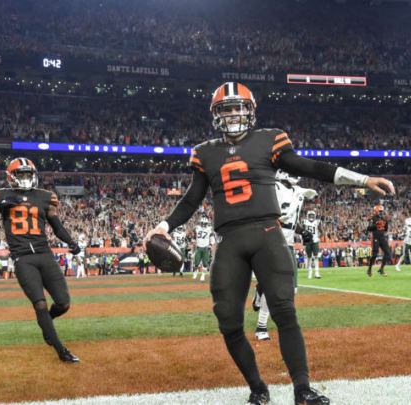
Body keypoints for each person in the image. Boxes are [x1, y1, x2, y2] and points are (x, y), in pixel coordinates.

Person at [144, 82, 395, 405]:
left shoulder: (269, 139)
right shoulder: (204, 152)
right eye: (226, 108)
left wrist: (362, 180)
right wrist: (163, 225)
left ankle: (302, 390)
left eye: (238, 107)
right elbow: (192, 199)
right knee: (228, 320)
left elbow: (310, 167)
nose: (233, 114)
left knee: (284, 311)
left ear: (250, 111)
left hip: (267, 234)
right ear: (216, 114)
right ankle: (258, 388)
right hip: (230, 241)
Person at [0, 157, 81, 363]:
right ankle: (60, 349)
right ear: (11, 177)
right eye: (20, 174)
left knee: (64, 303)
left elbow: (56, 226)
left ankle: (46, 323)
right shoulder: (1, 195)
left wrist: (71, 242)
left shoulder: (44, 197)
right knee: (39, 303)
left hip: (44, 253)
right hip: (22, 257)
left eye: (27, 174)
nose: (24, 178)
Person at [253, 170, 317, 341]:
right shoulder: (273, 188)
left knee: (291, 289)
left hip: (288, 244)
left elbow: (292, 222)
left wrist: (303, 232)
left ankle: (260, 289)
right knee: (273, 287)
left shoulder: (298, 192)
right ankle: (261, 326)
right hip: (271, 241)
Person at [366, 205, 391, 277]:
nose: (381, 212)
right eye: (380, 211)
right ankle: (369, 270)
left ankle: (381, 269)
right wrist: (376, 225)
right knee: (374, 254)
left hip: (382, 237)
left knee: (387, 252)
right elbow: (368, 228)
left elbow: (386, 229)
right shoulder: (372, 218)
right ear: (376, 211)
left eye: (382, 211)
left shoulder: (384, 219)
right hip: (376, 237)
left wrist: (386, 223)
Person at [302, 210, 322, 279]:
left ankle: (317, 272)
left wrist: (318, 237)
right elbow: (302, 231)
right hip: (308, 241)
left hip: (315, 240)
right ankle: (310, 271)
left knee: (316, 256)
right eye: (310, 215)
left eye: (312, 215)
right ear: (307, 216)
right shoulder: (304, 222)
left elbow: (321, 231)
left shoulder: (317, 222)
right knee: (309, 257)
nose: (311, 217)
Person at [192, 217, 213, 281]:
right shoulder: (197, 228)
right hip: (198, 247)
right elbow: (194, 234)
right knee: (196, 262)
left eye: (205, 223)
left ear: (207, 223)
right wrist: (193, 240)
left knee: (205, 263)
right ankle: (195, 272)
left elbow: (212, 236)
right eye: (202, 223)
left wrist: (211, 244)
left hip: (206, 247)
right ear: (200, 223)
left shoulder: (209, 229)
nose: (203, 225)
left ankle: (203, 275)